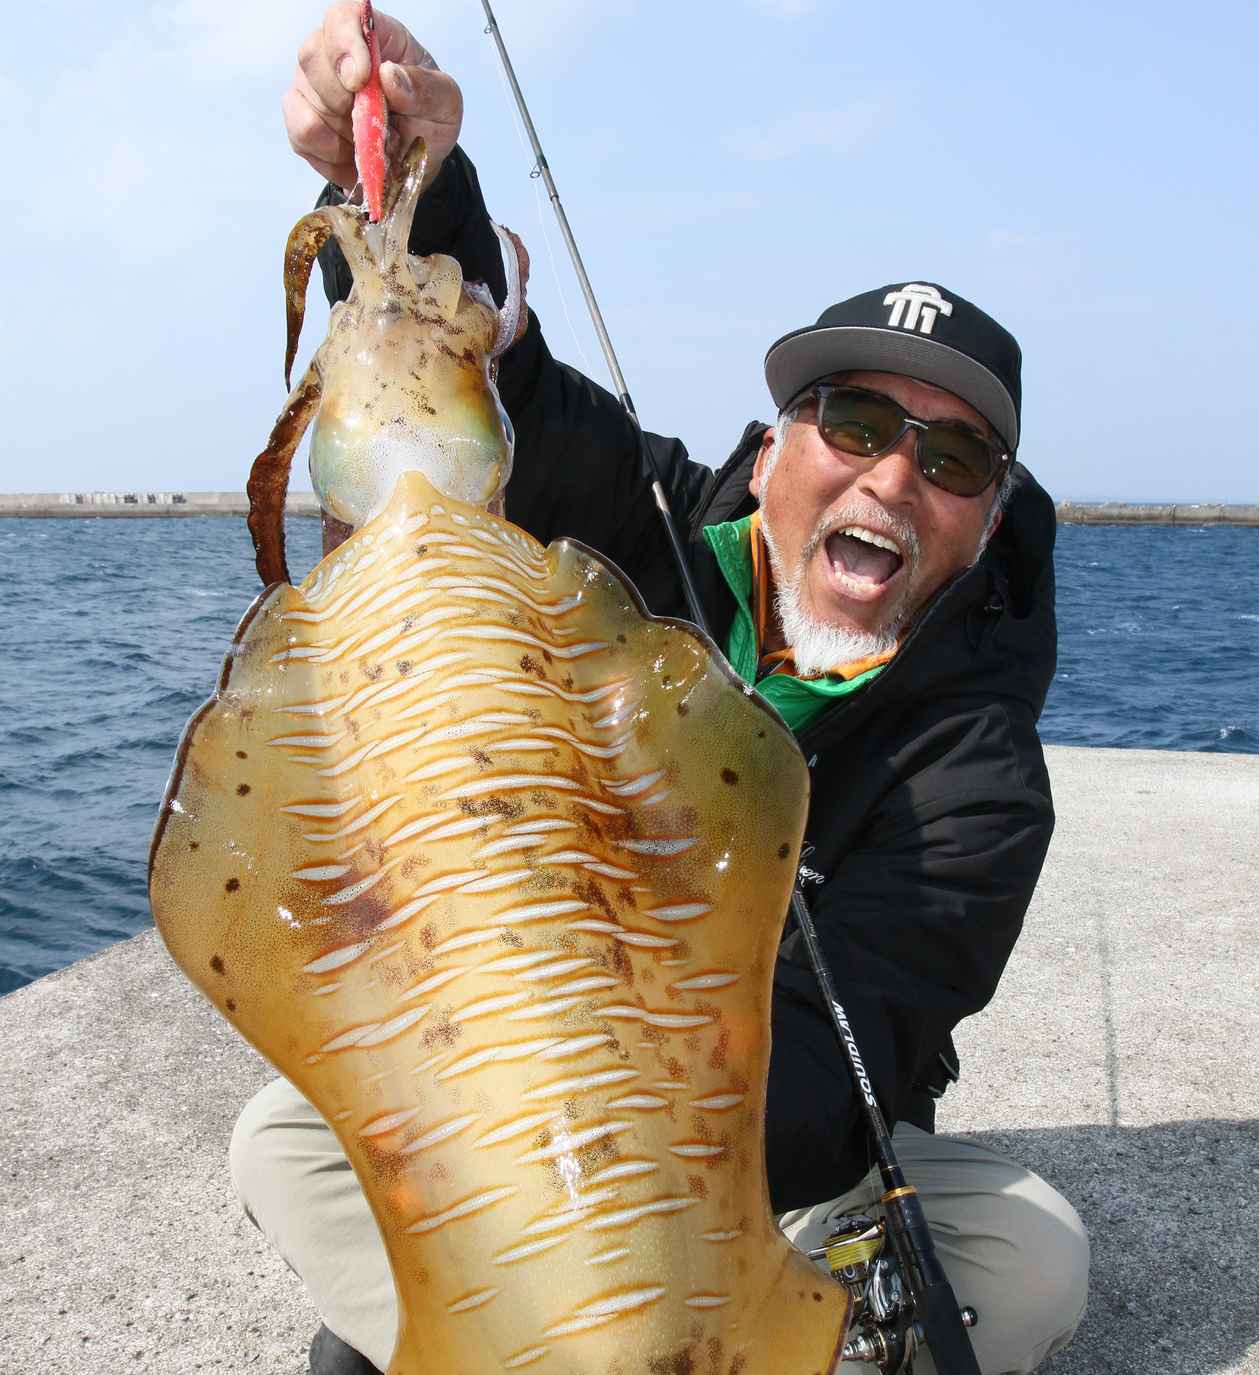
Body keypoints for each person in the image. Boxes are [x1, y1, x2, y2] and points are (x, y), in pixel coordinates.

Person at [232, 7, 1090, 1373]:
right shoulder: (647, 528)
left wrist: (591, 1149)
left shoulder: (976, 773)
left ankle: (518, 1313)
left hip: (777, 1157)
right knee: (283, 1133)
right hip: (515, 1079)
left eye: (955, 463)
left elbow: (834, 1061)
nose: (890, 479)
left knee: (1028, 1259)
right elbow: (492, 398)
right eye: (856, 427)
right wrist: (401, 168)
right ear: (771, 453)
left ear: (986, 524)